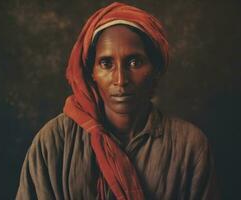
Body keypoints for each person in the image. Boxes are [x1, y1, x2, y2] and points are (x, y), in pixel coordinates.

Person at [16, 2, 219, 200]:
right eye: (106, 63)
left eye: (134, 62)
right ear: (91, 73)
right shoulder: (54, 141)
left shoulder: (189, 147)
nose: (121, 80)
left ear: (155, 70)